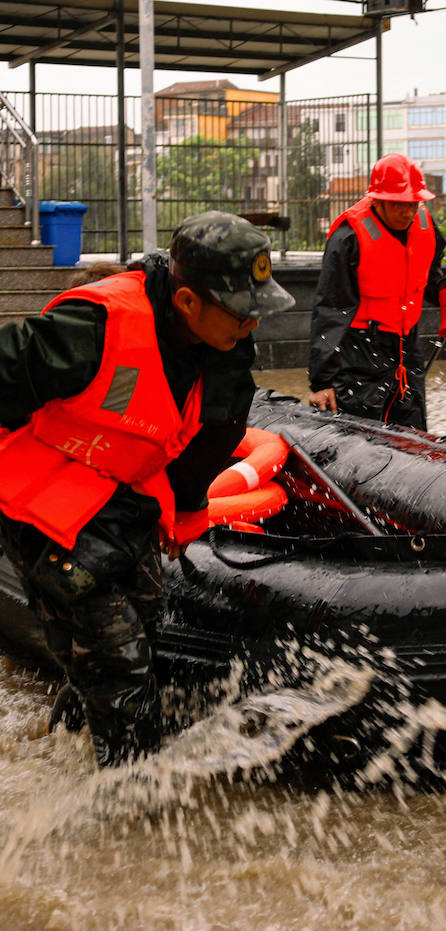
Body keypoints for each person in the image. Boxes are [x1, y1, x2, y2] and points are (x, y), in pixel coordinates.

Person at [0, 211, 294, 766]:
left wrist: (186, 510)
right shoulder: (94, 327)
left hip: (122, 496)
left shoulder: (228, 343)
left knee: (147, 618)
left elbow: (216, 433)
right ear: (187, 302)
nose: (251, 325)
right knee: (118, 662)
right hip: (44, 506)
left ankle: (66, 741)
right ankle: (128, 808)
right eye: (239, 313)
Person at [307, 153, 446, 430]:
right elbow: (331, 310)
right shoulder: (348, 238)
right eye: (398, 205)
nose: (408, 212)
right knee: (362, 434)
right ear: (377, 200)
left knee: (413, 430)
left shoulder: (426, 227)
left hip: (407, 346)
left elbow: (428, 277)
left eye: (413, 204)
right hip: (359, 350)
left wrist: (445, 294)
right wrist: (322, 382)